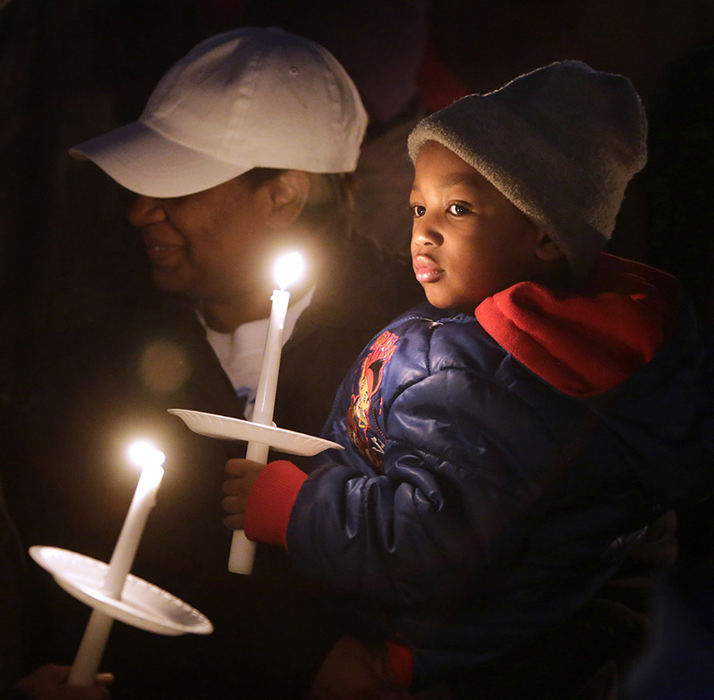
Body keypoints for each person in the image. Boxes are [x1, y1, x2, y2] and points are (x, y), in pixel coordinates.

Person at [221, 60, 714, 698]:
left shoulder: (486, 374)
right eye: (418, 205)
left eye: (458, 209)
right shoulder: (511, 339)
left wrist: (296, 509)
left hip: (417, 647)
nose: (423, 231)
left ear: (543, 236)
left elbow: (429, 537)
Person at [10, 27, 421, 700]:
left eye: (175, 186)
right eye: (140, 183)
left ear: (282, 196)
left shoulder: (426, 352)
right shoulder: (87, 369)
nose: (140, 210)